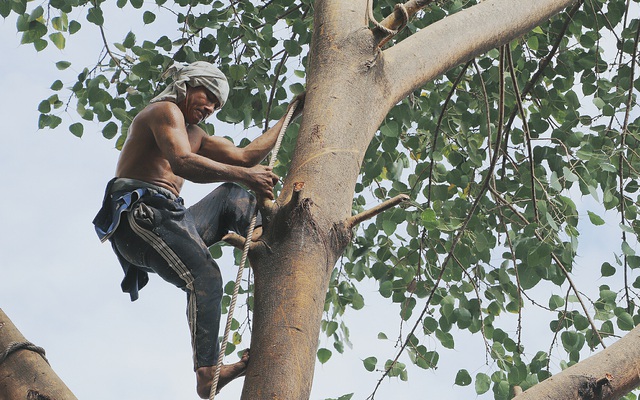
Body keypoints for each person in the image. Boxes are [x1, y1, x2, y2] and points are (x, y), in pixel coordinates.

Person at [92, 61, 303, 398]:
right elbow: (182, 162)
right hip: (142, 216)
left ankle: (264, 241)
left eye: (216, 106)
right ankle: (207, 375)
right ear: (187, 85)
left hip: (171, 218)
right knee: (205, 276)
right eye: (207, 98)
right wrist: (247, 176)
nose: (210, 108)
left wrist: (292, 112)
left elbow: (246, 156)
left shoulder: (196, 134)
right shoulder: (164, 111)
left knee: (232, 196)